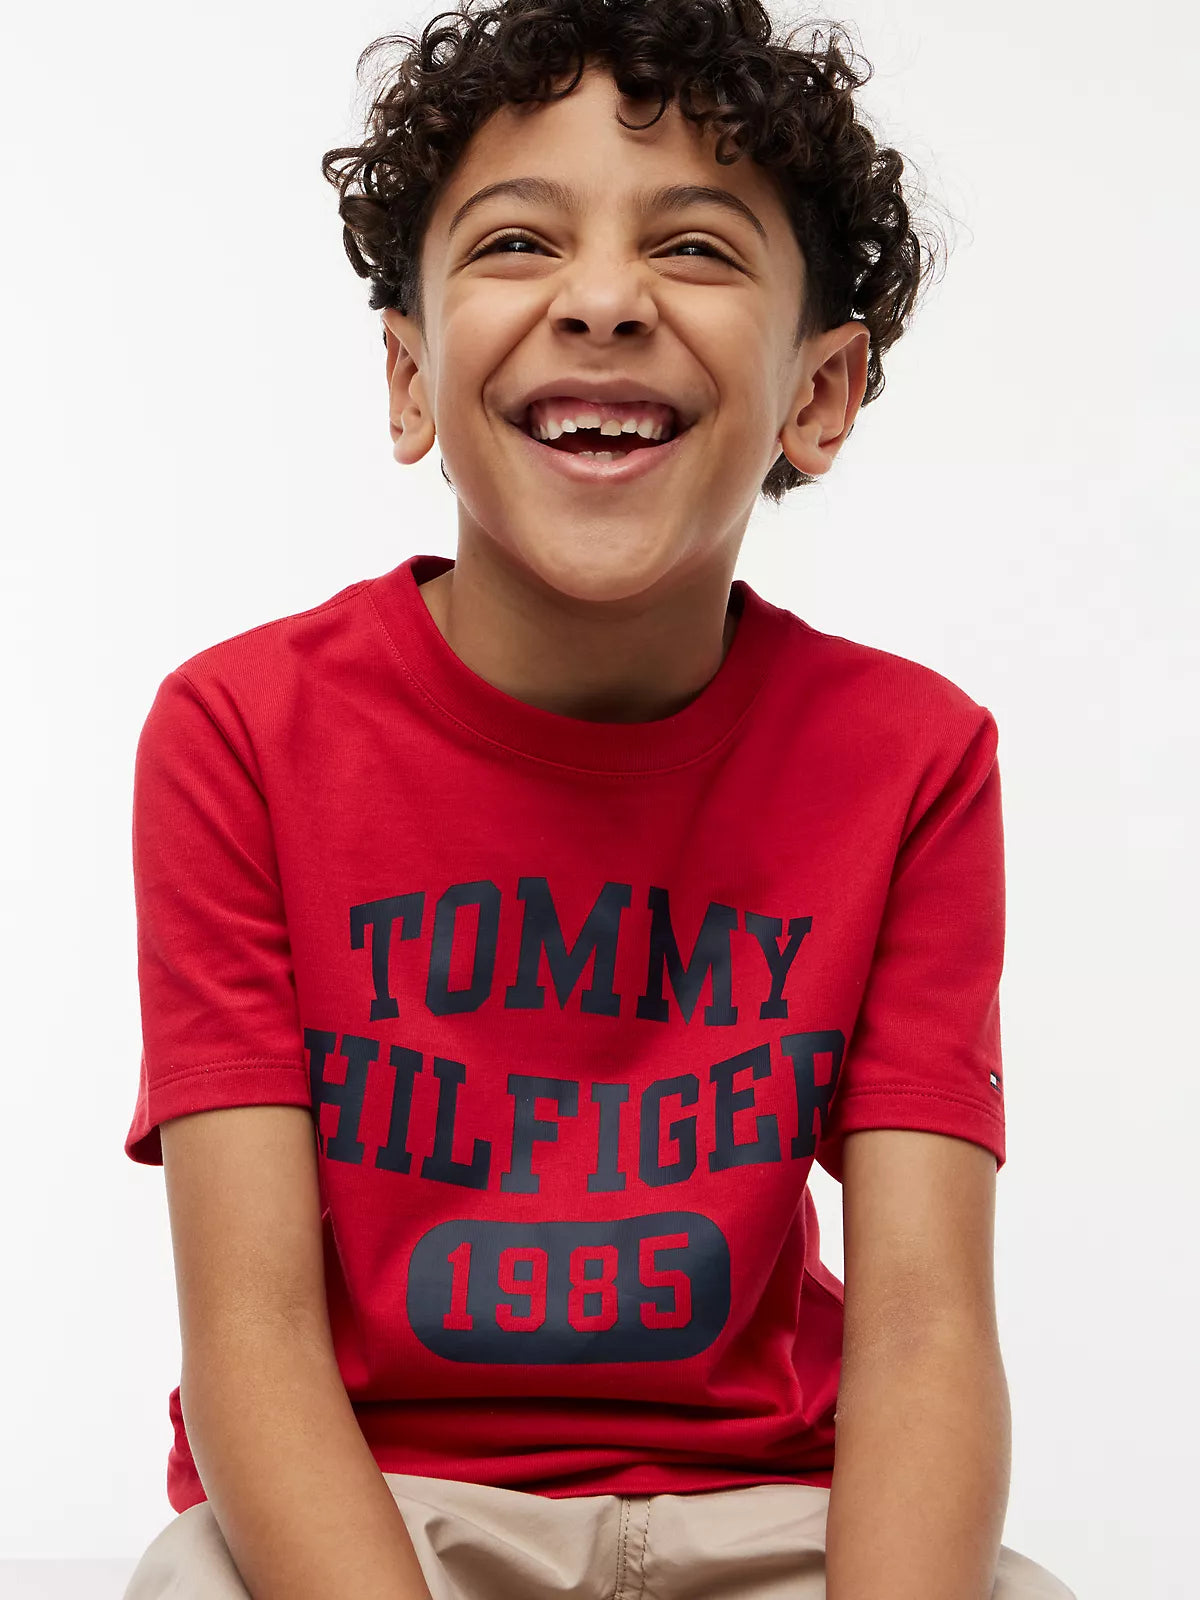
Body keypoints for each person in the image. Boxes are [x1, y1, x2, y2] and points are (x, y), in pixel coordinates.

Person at [121, 2, 1077, 1597]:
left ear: (821, 393)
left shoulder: (912, 757)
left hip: (771, 1510)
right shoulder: (240, 734)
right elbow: (253, 1337)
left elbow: (923, 1329)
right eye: (517, 241)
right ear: (411, 374)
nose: (606, 299)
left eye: (695, 249)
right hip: (386, 1512)